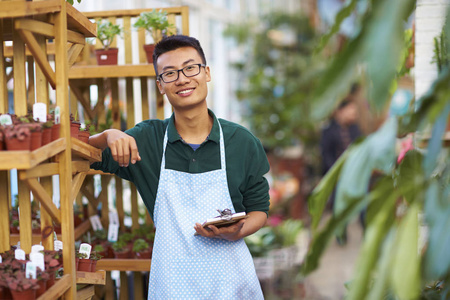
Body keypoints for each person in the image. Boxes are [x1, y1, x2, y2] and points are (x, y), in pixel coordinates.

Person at [89, 35, 270, 299]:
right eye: (170, 73)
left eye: (190, 68)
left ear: (206, 73)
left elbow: (259, 209)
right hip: (173, 287)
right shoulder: (147, 140)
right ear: (160, 85)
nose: (182, 79)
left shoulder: (240, 142)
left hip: (231, 285)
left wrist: (236, 231)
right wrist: (108, 135)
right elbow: (84, 154)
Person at [319, 98, 362, 244]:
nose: (354, 114)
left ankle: (366, 228)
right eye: (351, 110)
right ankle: (340, 235)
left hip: (355, 172)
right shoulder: (328, 130)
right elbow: (326, 154)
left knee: (362, 202)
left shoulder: (354, 128)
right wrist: (335, 173)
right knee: (339, 206)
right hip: (337, 175)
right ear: (340, 111)